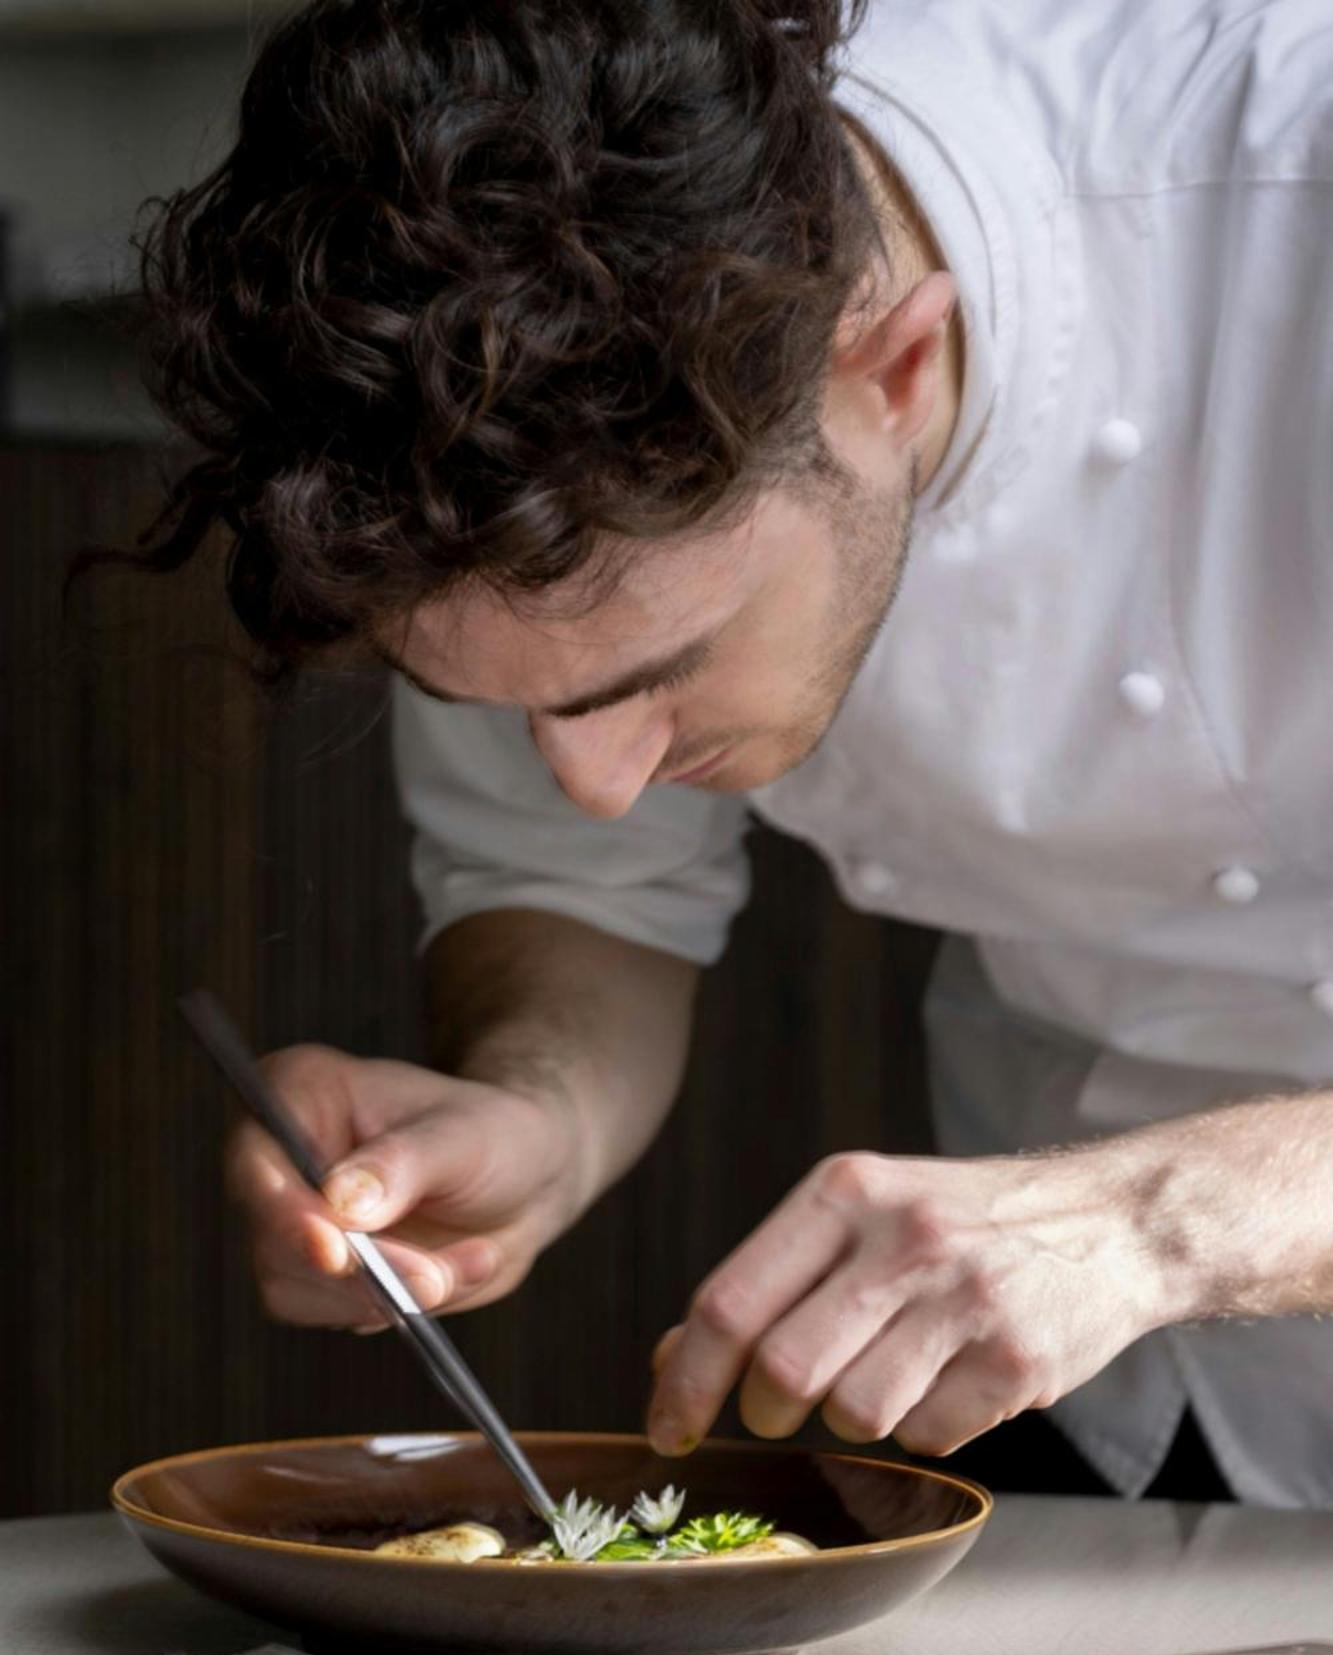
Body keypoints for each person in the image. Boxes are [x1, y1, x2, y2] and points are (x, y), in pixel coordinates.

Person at [124, 0, 1333, 1505]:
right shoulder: (511, 394)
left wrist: (1153, 1226)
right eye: (517, 709)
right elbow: (582, 876)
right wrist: (538, 1110)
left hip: (1135, 1245)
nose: (595, 778)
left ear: (888, 366)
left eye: (660, 678)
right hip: (1118, 1384)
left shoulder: (1296, 193)